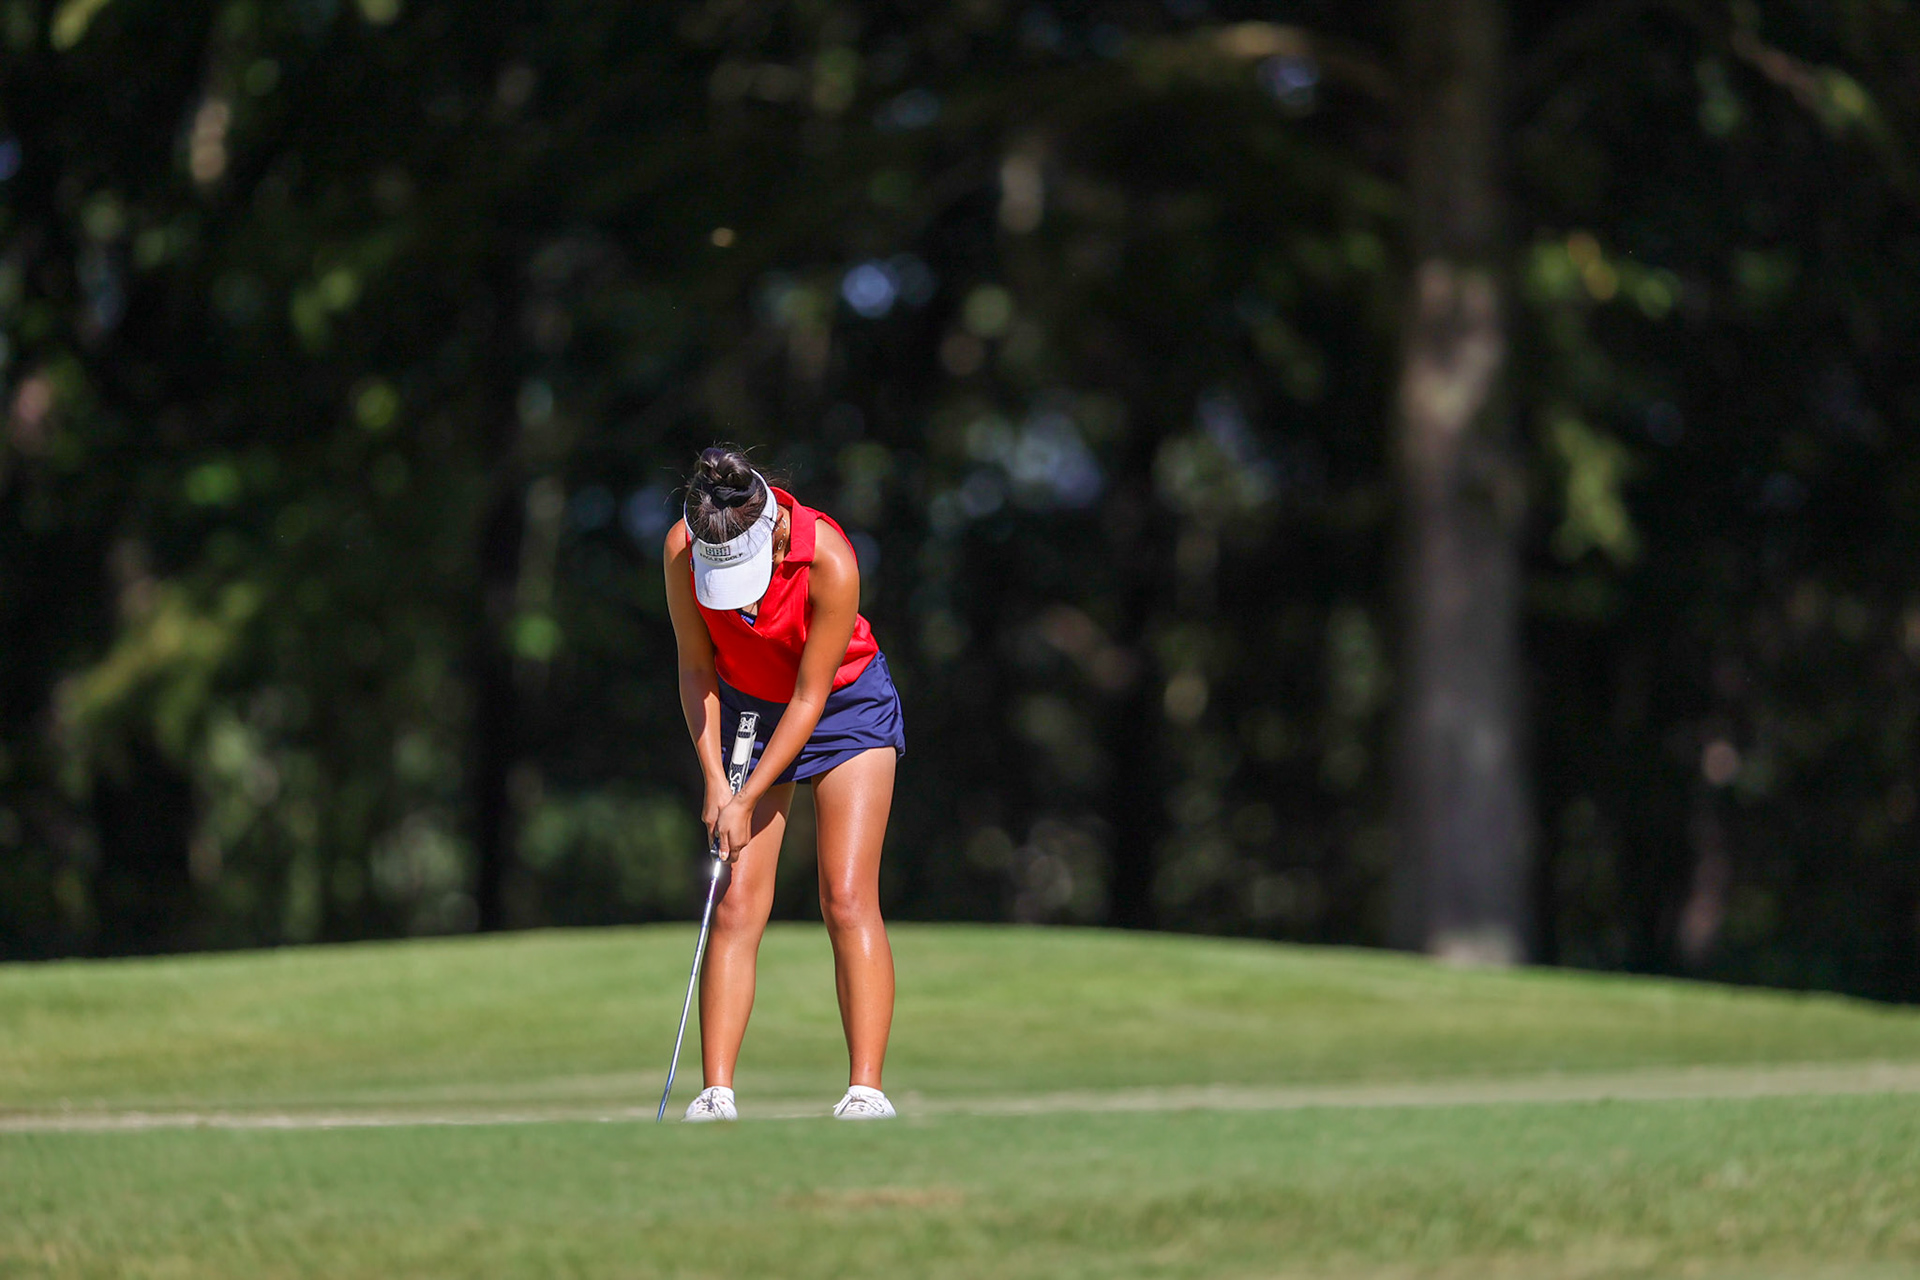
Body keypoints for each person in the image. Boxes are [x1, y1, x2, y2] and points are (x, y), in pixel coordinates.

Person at [663, 445, 905, 1121]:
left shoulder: (830, 557)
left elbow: (808, 698)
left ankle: (866, 1091)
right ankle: (716, 1094)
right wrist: (715, 780)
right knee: (735, 903)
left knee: (847, 895)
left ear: (771, 531)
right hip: (743, 708)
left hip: (843, 705)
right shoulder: (683, 549)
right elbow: (694, 667)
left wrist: (746, 795)